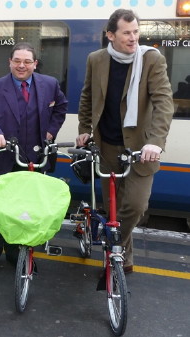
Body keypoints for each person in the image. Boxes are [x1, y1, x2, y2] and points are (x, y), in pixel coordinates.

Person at [75, 9, 174, 274]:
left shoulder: (151, 59)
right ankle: (121, 256)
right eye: (127, 33)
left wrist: (156, 141)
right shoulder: (96, 59)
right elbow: (87, 97)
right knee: (112, 207)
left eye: (136, 32)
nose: (133, 38)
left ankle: (112, 243)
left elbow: (164, 102)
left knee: (136, 205)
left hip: (141, 148)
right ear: (111, 35)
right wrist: (84, 129)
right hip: (106, 144)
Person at [0, 42, 68, 273]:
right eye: (17, 60)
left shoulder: (49, 84)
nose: (21, 65)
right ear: (9, 62)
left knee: (25, 211)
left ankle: (19, 254)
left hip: (32, 162)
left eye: (27, 61)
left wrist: (50, 131)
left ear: (35, 64)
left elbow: (61, 107)